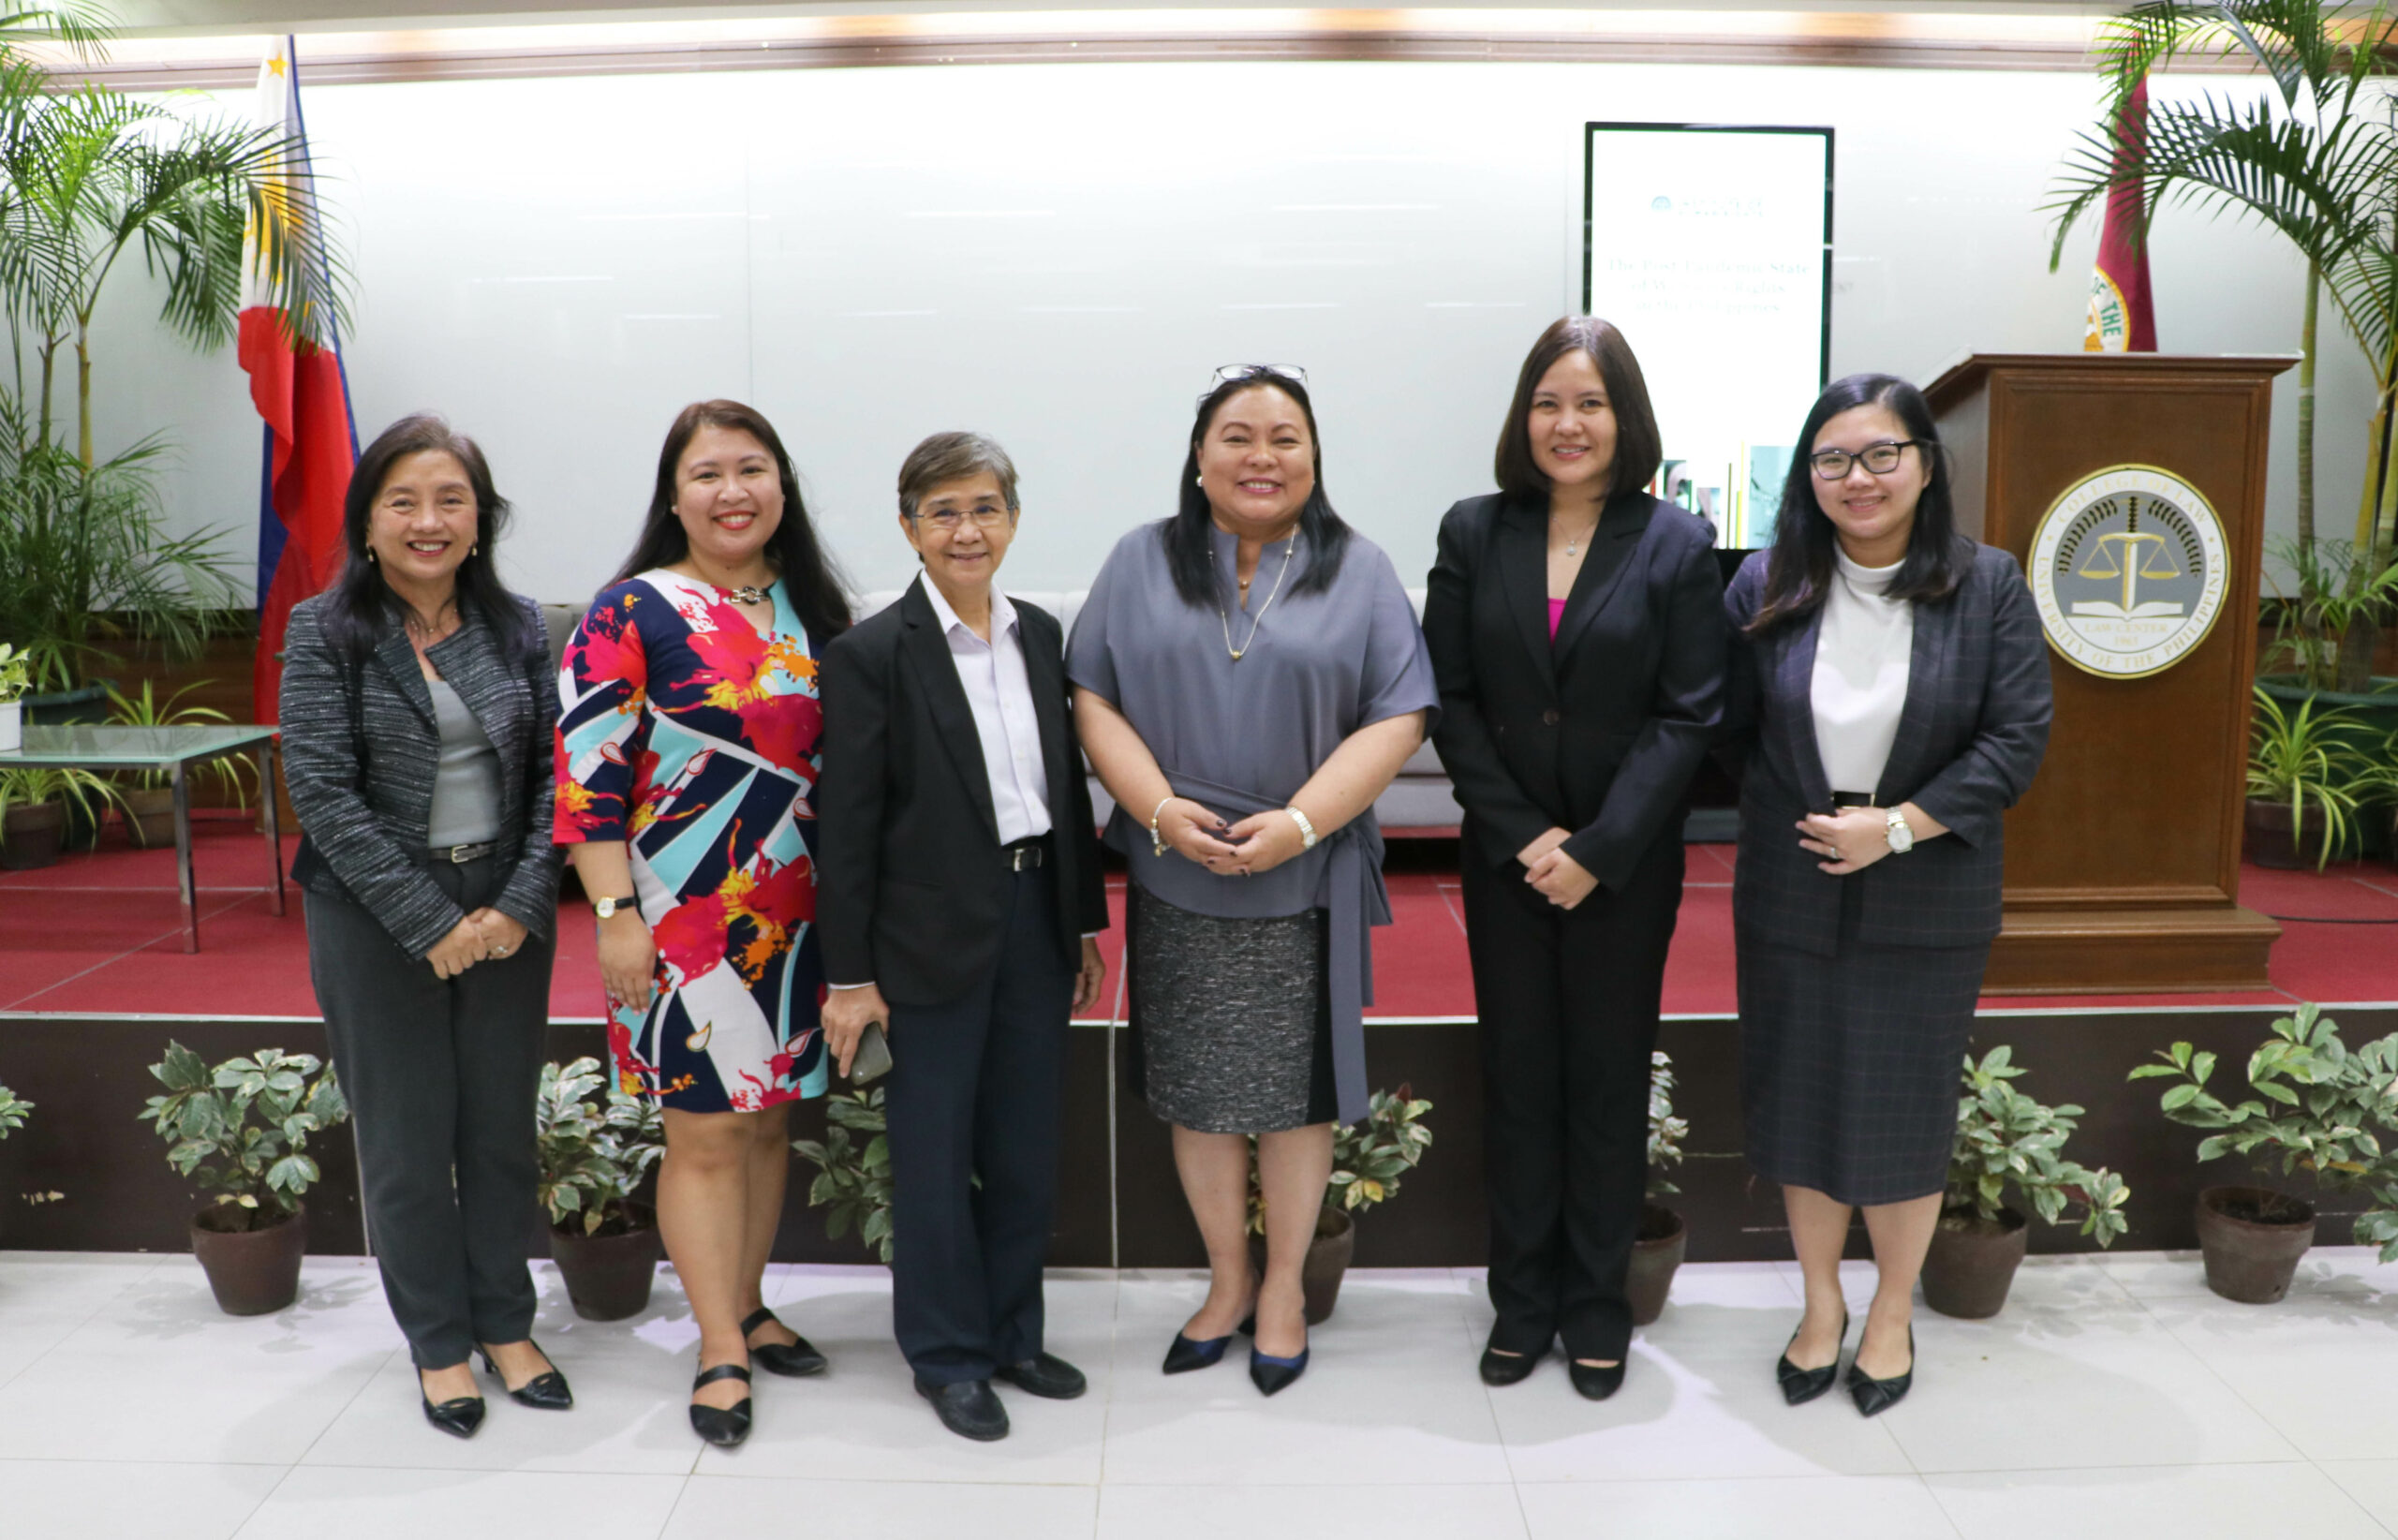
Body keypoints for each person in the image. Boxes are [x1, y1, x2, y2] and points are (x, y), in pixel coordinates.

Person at [1068, 364, 1436, 1398]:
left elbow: (1400, 715)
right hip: (1174, 861)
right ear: (1199, 456)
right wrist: (1158, 813)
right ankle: (1227, 1279)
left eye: (1284, 438)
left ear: (1314, 456)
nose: (1261, 456)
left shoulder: (1359, 569)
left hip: (1303, 869)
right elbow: (1092, 695)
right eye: (1237, 436)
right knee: (1197, 1091)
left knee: (1294, 1099)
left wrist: (1303, 823)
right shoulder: (1140, 559)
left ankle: (1283, 1290)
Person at [1723, 373, 2051, 1417]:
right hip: (1794, 881)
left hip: (1929, 885)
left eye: (1879, 455)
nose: (1856, 478)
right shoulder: (1765, 583)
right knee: (1800, 1105)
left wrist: (1899, 826)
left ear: (1924, 463)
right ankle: (1820, 1305)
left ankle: (1893, 1312)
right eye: (1832, 459)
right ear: (1807, 475)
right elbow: (1727, 731)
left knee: (1905, 1113)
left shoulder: (1987, 584)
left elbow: (2015, 739)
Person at [1422, 317, 1725, 1401]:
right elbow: (1450, 699)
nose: (1567, 423)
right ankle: (1522, 1301)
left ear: (1622, 417)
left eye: (1589, 403)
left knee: (1605, 1079)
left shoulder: (1674, 542)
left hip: (1624, 867)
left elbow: (1689, 714)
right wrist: (1526, 834)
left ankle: (1597, 1303)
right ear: (1524, 416)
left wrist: (1597, 847)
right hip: (1507, 858)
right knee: (1518, 1078)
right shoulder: (1473, 530)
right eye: (1548, 402)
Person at [554, 399, 851, 1448]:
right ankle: (719, 1342)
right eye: (708, 473)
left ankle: (750, 1303)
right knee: (707, 1129)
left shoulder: (813, 609)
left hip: (799, 914)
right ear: (673, 496)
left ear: (783, 486)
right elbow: (587, 780)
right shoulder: (630, 611)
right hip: (677, 915)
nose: (733, 491)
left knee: (767, 1122)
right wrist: (614, 915)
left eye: (752, 469)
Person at [816, 432, 1111, 1443]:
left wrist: (1081, 920)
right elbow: (847, 831)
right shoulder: (869, 655)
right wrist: (850, 975)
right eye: (942, 512)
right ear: (909, 528)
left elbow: (1063, 790)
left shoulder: (1039, 634)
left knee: (1025, 1147)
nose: (966, 530)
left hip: (1035, 920)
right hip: (922, 942)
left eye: (984, 508)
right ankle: (946, 1356)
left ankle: (1015, 1335)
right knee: (934, 1158)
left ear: (1013, 520)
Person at [281, 414, 568, 1439]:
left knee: (499, 1135)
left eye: (451, 500)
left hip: (503, 906)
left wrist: (519, 902)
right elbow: (321, 789)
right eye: (402, 501)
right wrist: (426, 920)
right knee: (405, 1143)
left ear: (481, 520)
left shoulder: (522, 626)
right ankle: (439, 1343)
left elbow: (559, 781)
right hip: (372, 912)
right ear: (367, 522)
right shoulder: (326, 629)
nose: (428, 520)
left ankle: (506, 1324)